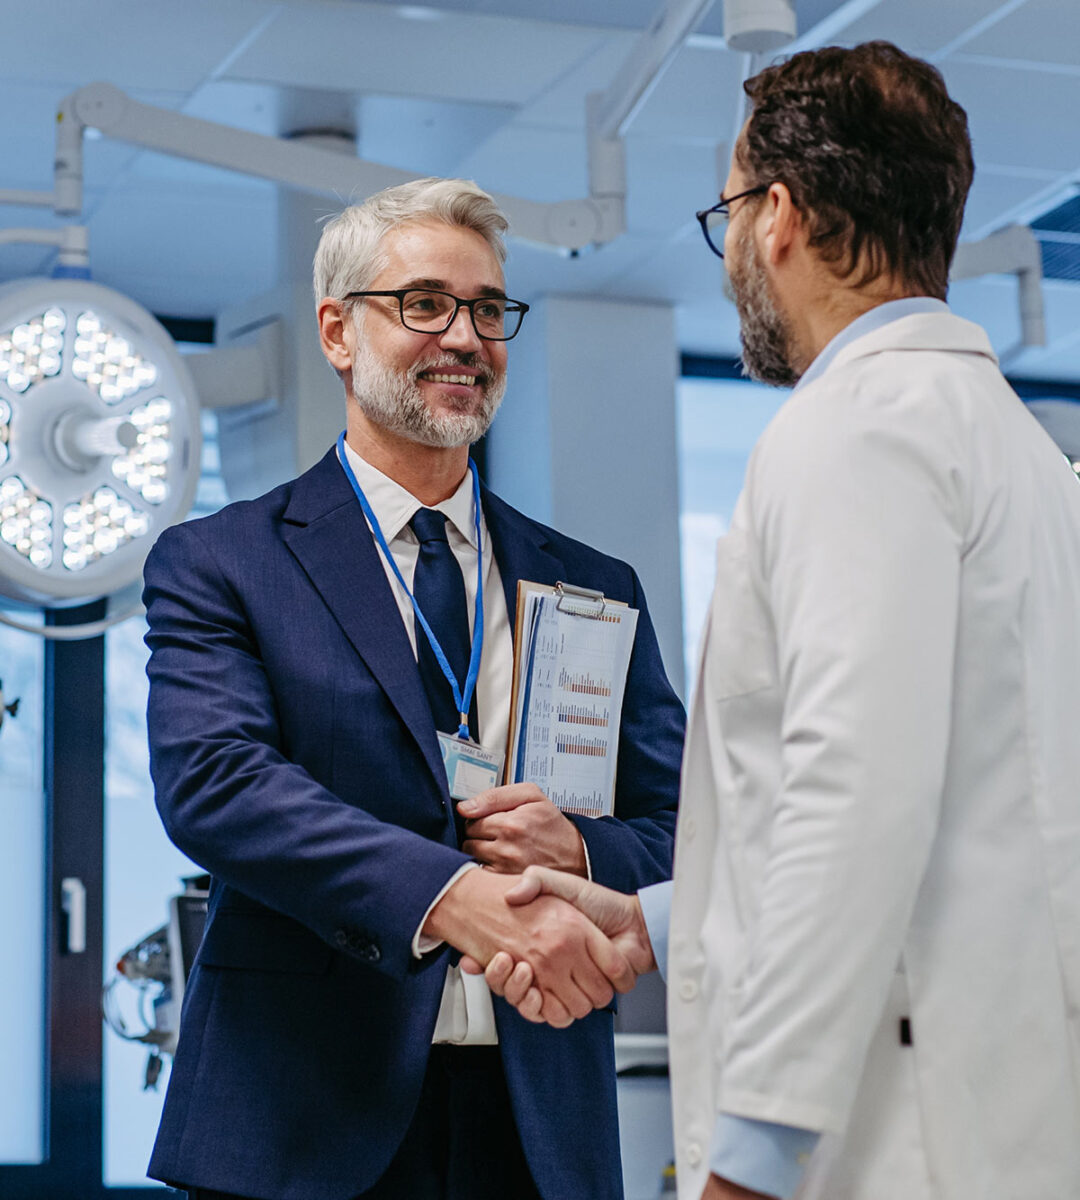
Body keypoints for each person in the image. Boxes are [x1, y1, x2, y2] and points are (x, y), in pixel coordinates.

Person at [471, 40, 1080, 1200]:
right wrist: (655, 920)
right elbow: (960, 804)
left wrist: (751, 1161)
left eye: (730, 214)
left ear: (781, 217)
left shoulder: (853, 429)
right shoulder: (1022, 453)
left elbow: (855, 796)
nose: (733, 258)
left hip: (890, 1146)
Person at [142, 176, 685, 1200]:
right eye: (425, 304)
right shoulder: (224, 561)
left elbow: (688, 828)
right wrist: (455, 898)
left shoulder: (593, 586)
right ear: (338, 333)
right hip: (302, 1115)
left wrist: (577, 850)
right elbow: (217, 785)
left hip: (538, 1122)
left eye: (488, 310)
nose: (466, 338)